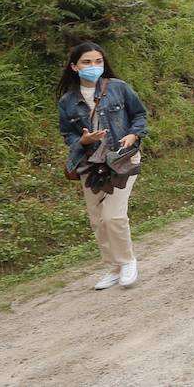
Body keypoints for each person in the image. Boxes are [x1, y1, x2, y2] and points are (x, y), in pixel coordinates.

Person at [56, 41, 147, 290]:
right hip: (90, 163)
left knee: (113, 215)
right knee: (98, 219)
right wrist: (82, 141)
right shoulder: (67, 101)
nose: (93, 66)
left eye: (98, 61)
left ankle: (127, 261)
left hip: (121, 159)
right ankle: (113, 267)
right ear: (74, 67)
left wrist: (133, 135)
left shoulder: (118, 88)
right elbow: (67, 134)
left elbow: (139, 114)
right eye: (87, 62)